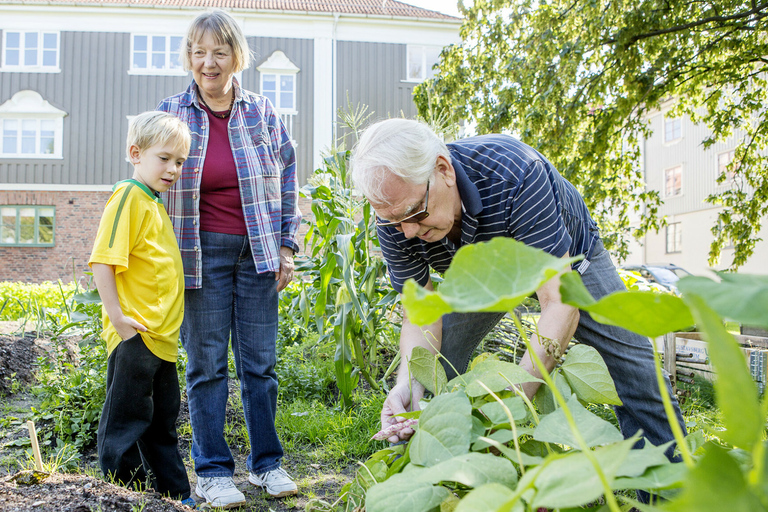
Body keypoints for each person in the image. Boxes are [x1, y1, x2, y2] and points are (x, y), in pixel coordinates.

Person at [350, 118, 686, 458]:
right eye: (395, 221)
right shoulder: (396, 214)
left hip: (566, 261)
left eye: (415, 212)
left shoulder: (517, 173)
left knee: (638, 375)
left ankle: (667, 499)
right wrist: (408, 384)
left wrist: (509, 405)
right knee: (434, 375)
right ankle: (445, 484)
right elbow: (419, 316)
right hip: (481, 274)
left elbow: (559, 302)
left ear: (444, 170)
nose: (406, 231)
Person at [156, 9, 301, 509]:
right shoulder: (172, 113)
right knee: (206, 366)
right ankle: (213, 472)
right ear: (189, 58)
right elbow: (150, 181)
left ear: (236, 56)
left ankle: (266, 465)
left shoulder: (263, 112)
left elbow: (287, 180)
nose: (208, 62)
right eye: (198, 52)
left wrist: (287, 245)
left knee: (260, 365)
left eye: (218, 52)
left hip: (258, 253)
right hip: (198, 254)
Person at [89, 111, 194, 508]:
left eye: (180, 162)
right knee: (125, 424)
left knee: (162, 425)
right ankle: (124, 498)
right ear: (136, 153)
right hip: (136, 335)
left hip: (162, 341)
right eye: (164, 158)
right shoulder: (129, 196)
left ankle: (175, 497)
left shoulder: (153, 203)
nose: (172, 169)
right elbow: (103, 261)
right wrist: (119, 320)